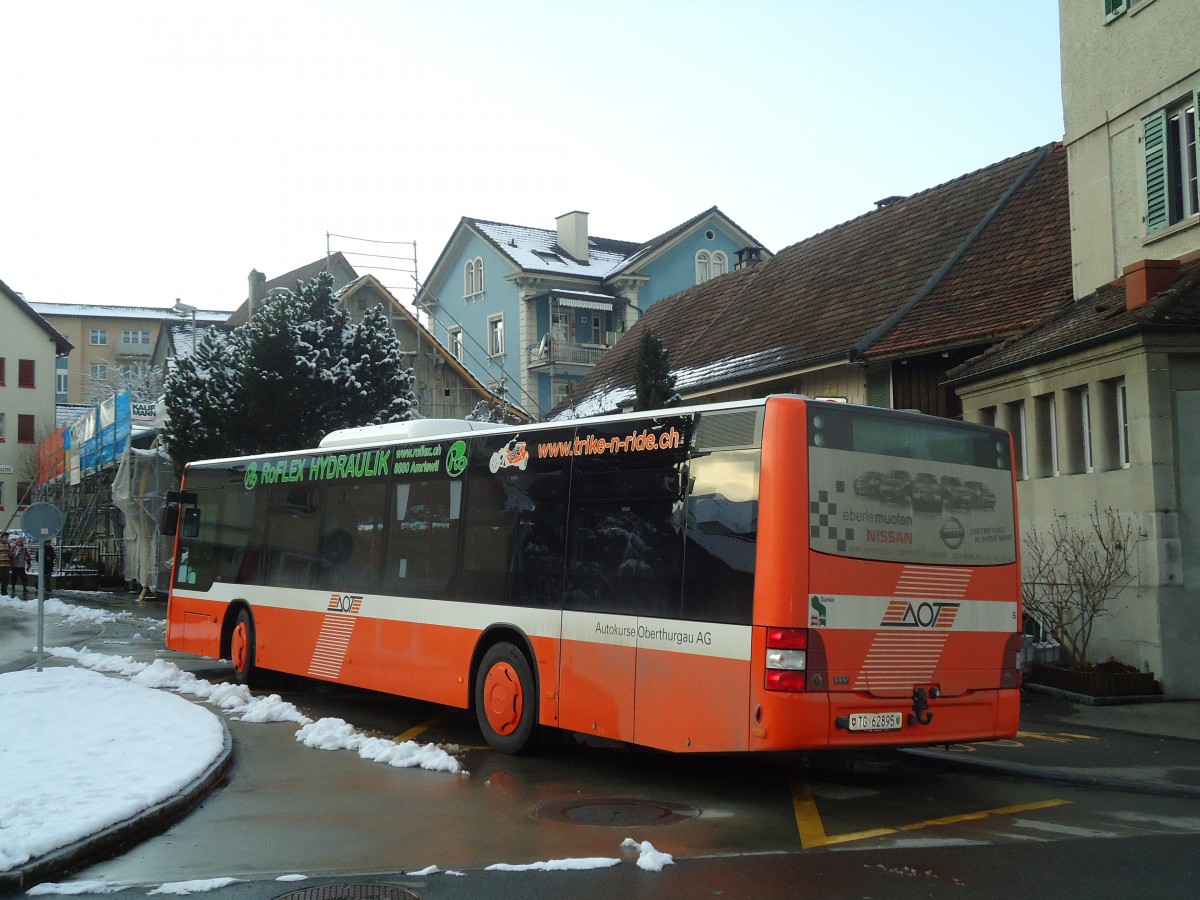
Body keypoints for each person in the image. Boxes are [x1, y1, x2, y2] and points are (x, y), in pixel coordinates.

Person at [0, 532, 11, 597]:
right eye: (4, 537)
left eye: (6, 537)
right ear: (1, 538)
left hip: (6, 564)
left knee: (5, 579)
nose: (5, 538)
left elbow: (9, 553)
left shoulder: (8, 544)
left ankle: (4, 592)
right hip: (0, 564)